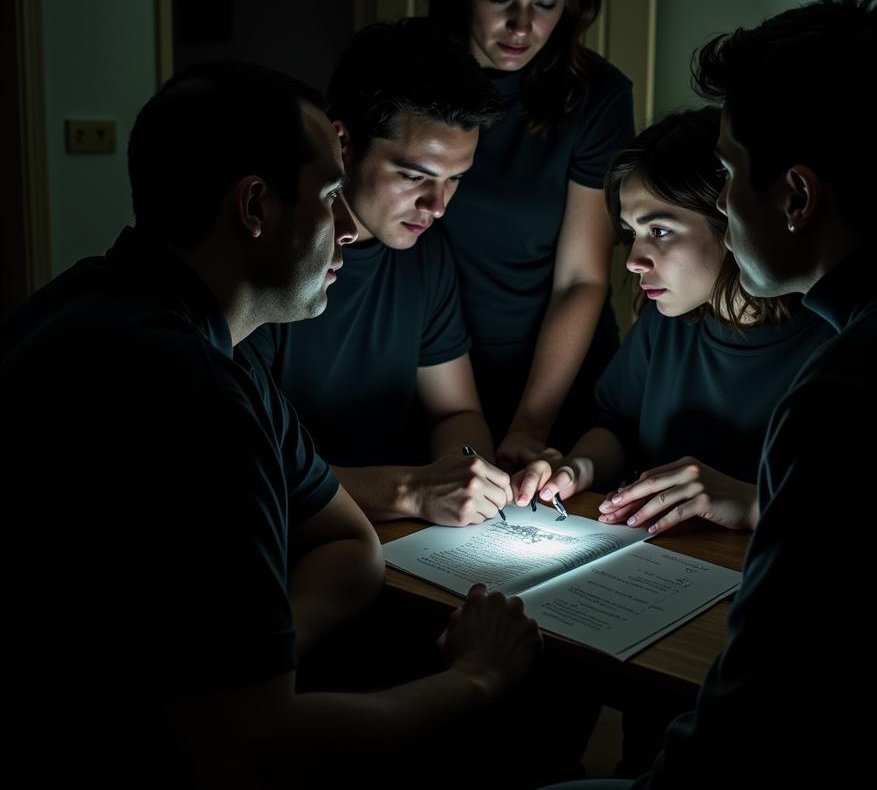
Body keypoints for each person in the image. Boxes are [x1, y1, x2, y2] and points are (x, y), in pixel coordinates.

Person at [4, 61, 542, 787]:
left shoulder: (173, 326)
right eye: (328, 194)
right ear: (255, 207)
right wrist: (479, 678)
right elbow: (249, 753)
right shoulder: (185, 396)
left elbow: (350, 538)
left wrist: (266, 651)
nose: (345, 226)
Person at [571, 0, 877, 789]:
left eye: (731, 172)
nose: (725, 201)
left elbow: (751, 729)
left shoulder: (854, 388)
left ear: (797, 196)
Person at [512, 108, 833, 546]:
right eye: (631, 233)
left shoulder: (837, 341)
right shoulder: (668, 323)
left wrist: (754, 501)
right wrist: (577, 468)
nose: (631, 259)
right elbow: (616, 426)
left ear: (729, 218)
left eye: (660, 230)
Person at [250, 19, 513, 526]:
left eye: (455, 180)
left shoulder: (425, 254)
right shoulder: (268, 256)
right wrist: (413, 490)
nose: (437, 206)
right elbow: (250, 469)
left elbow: (455, 412)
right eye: (414, 176)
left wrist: (468, 474)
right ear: (340, 142)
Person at [426, 0, 635, 468]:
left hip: (556, 381)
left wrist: (528, 425)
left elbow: (581, 279)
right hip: (435, 372)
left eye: (546, 5)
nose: (523, 28)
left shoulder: (597, 97)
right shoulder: (411, 77)